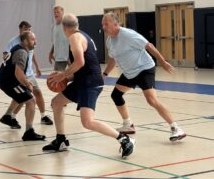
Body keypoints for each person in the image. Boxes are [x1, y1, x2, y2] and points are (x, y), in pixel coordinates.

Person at [42, 14, 135, 159]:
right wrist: (68, 77)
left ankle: (124, 139)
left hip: (90, 83)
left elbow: (80, 62)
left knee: (87, 122)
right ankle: (61, 141)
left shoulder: (74, 38)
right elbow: (84, 66)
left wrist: (62, 76)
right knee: (56, 103)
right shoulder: (82, 35)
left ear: (64, 28)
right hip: (83, 80)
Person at [101, 12, 186, 141]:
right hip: (129, 73)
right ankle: (128, 125)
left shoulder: (128, 35)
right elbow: (113, 58)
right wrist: (105, 74)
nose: (103, 27)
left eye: (106, 24)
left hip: (144, 68)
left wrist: (162, 62)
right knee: (116, 95)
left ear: (115, 24)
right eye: (102, 24)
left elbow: (149, 46)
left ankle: (176, 128)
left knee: (151, 100)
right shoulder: (109, 41)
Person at [0, 21, 53, 129]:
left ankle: (42, 116)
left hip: (26, 73)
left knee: (32, 95)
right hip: (15, 76)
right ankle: (17, 121)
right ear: (21, 30)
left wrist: (37, 67)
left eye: (29, 29)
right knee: (27, 98)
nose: (28, 31)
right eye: (26, 29)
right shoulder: (17, 46)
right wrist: (26, 82)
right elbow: (8, 58)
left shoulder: (27, 45)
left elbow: (32, 55)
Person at [0, 31, 46, 141]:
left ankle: (7, 116)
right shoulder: (22, 52)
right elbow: (18, 73)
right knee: (31, 100)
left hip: (6, 79)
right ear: (25, 41)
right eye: (33, 40)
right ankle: (29, 132)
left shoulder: (18, 48)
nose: (36, 42)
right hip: (9, 81)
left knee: (24, 95)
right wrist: (27, 83)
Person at [49, 6, 69, 71]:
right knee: (57, 78)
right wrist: (51, 53)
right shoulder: (54, 27)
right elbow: (55, 42)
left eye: (58, 12)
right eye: (54, 12)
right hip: (59, 58)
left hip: (69, 57)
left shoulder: (67, 25)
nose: (56, 14)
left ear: (62, 12)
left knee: (77, 76)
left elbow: (73, 40)